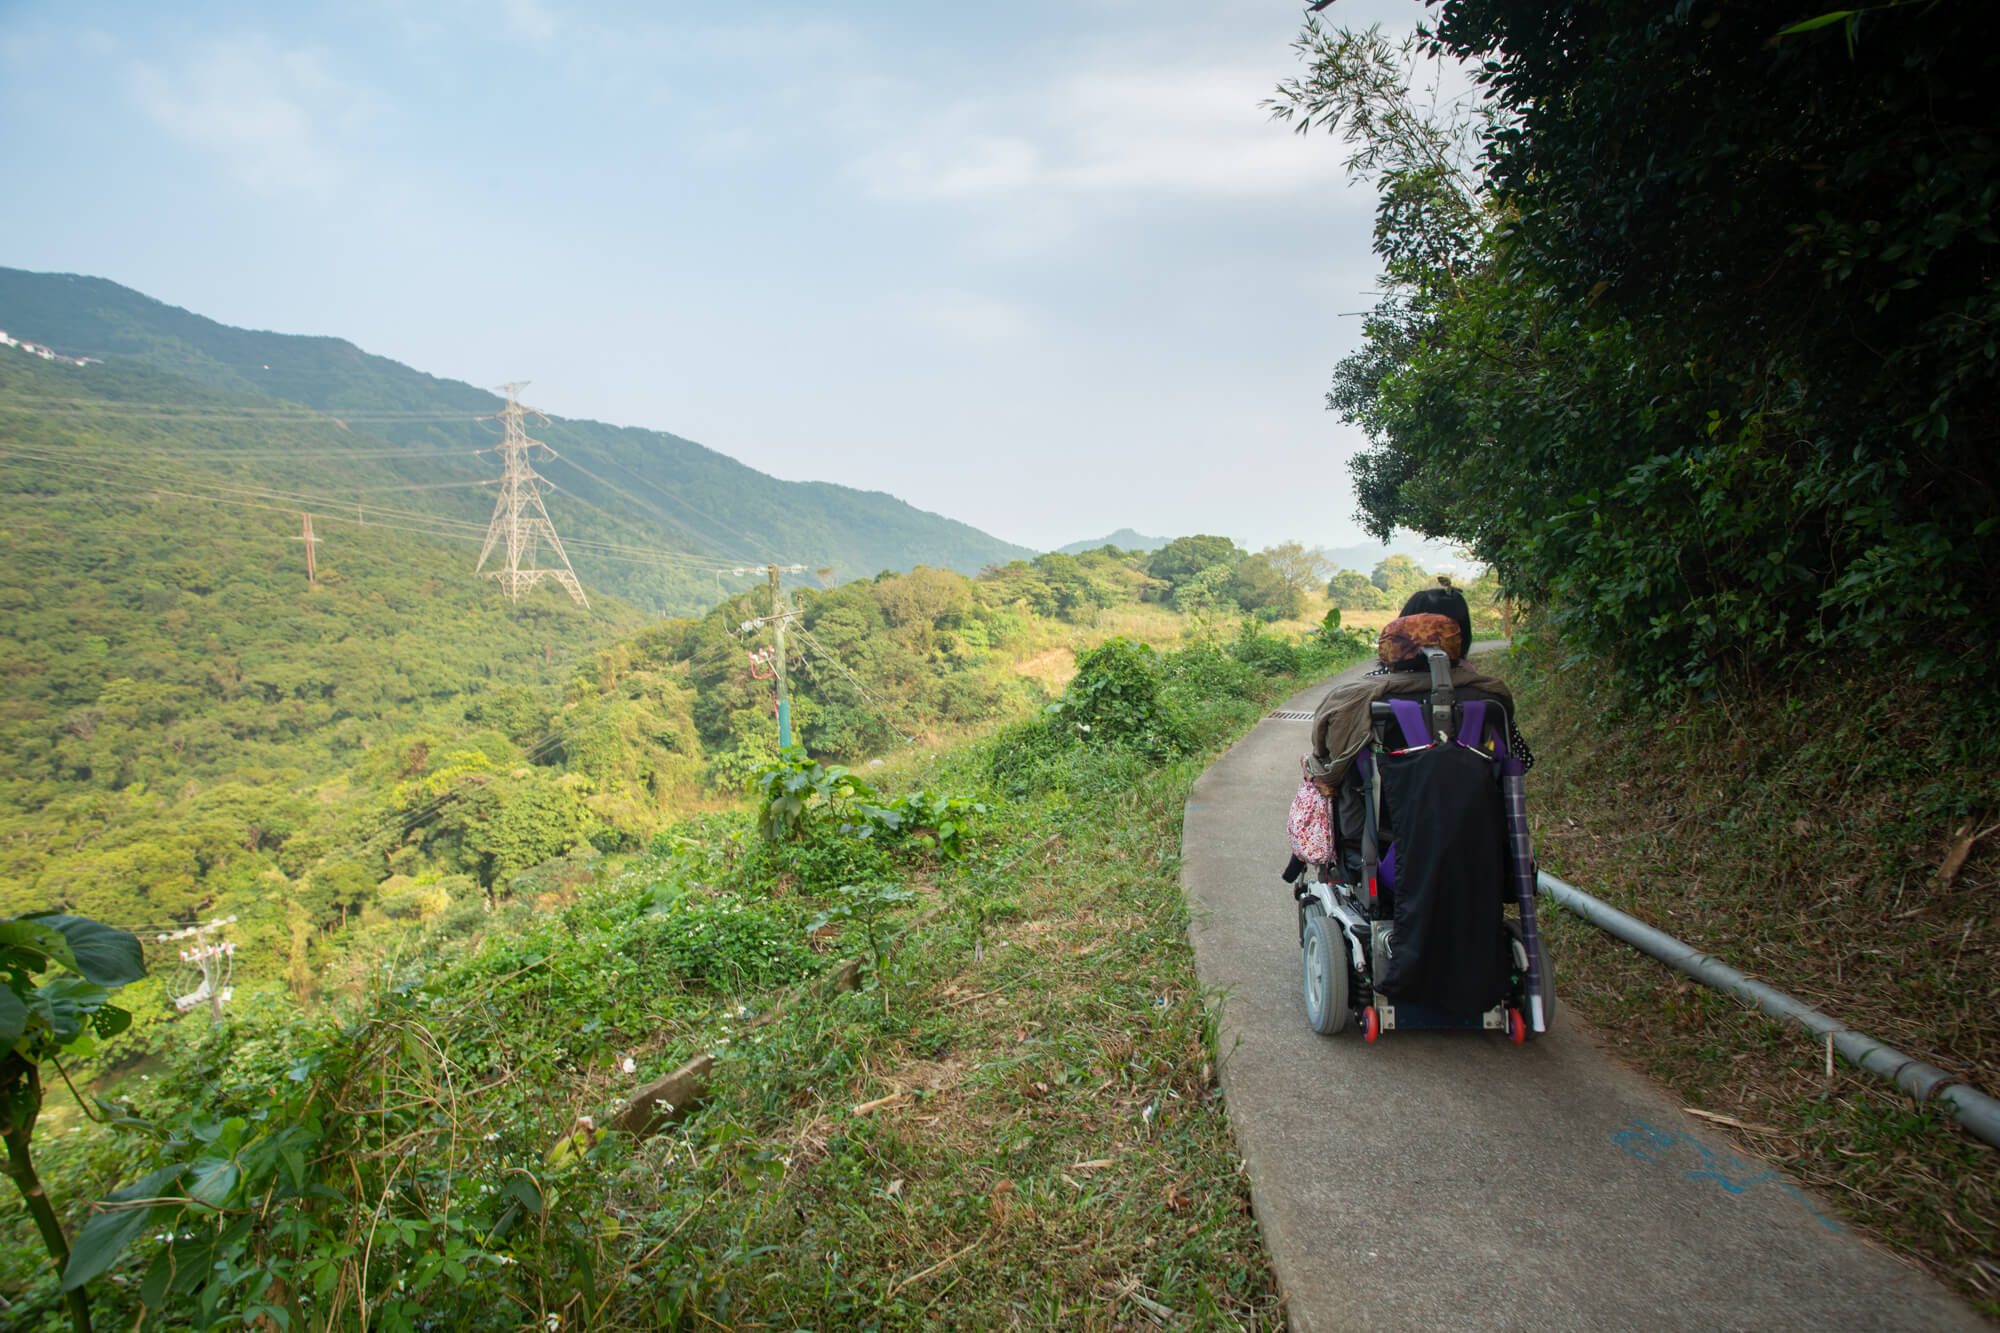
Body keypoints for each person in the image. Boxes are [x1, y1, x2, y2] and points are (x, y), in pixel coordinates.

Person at [1306, 583, 1524, 882]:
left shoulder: (1365, 696)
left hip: (1388, 845)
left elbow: (1333, 762)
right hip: (1475, 839)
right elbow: (1518, 760)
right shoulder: (1488, 696)